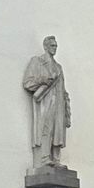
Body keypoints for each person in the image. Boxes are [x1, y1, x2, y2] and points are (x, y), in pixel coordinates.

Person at [23, 36, 71, 167]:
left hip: (59, 104)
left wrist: (67, 109)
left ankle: (56, 159)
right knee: (46, 128)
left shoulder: (58, 67)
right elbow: (28, 83)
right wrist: (43, 80)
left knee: (58, 131)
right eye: (52, 46)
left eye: (56, 46)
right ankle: (44, 158)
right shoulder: (37, 62)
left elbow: (63, 89)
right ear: (45, 46)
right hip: (45, 102)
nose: (54, 48)